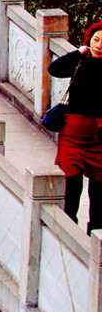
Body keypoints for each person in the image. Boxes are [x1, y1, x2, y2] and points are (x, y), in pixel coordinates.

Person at [50, 21, 102, 232]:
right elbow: (54, 69)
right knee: (72, 187)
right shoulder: (80, 61)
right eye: (96, 40)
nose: (99, 45)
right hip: (72, 135)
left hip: (99, 140)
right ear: (89, 40)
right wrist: (77, 53)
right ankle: (69, 233)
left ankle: (96, 238)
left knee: (99, 194)